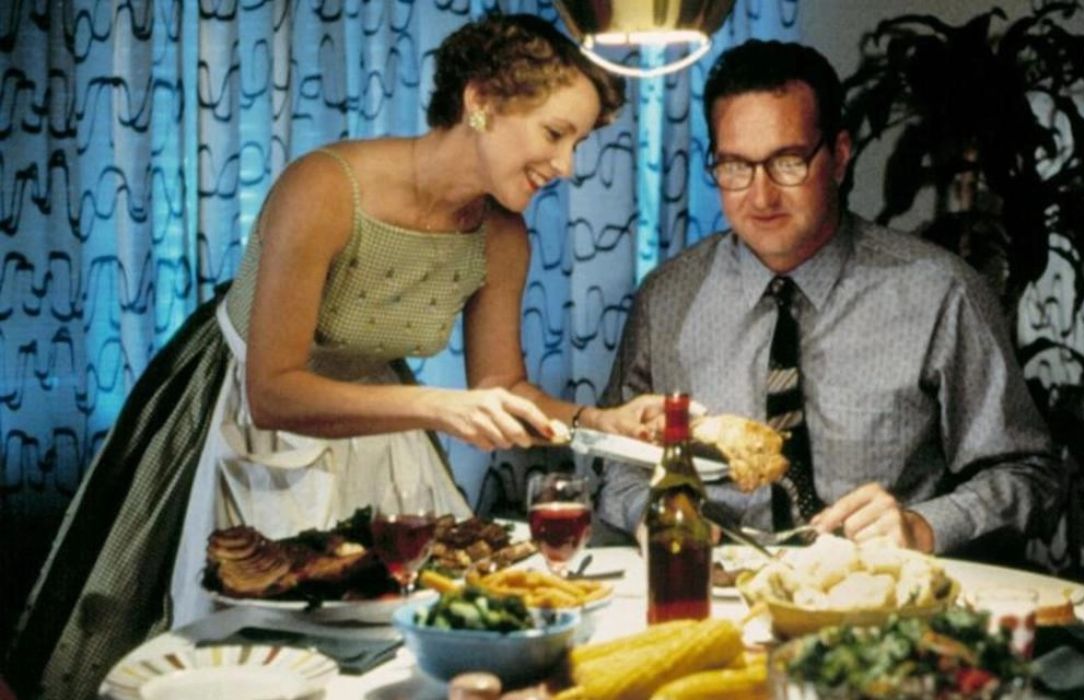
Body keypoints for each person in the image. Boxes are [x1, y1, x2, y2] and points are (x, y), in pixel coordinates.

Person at [6, 14, 656, 699]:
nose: (567, 165)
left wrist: (600, 421)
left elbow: (501, 383)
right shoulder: (325, 187)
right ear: (482, 102)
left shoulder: (502, 236)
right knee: (248, 662)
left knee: (392, 651)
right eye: (556, 134)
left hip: (382, 425)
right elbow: (273, 391)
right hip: (235, 419)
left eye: (580, 142)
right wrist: (435, 408)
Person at [594, 39, 1065, 555]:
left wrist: (924, 526)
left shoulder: (940, 293)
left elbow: (1029, 475)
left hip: (878, 604)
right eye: (735, 167)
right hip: (713, 597)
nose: (761, 196)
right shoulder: (666, 298)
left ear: (839, 157)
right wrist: (654, 518)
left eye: (788, 162)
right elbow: (620, 462)